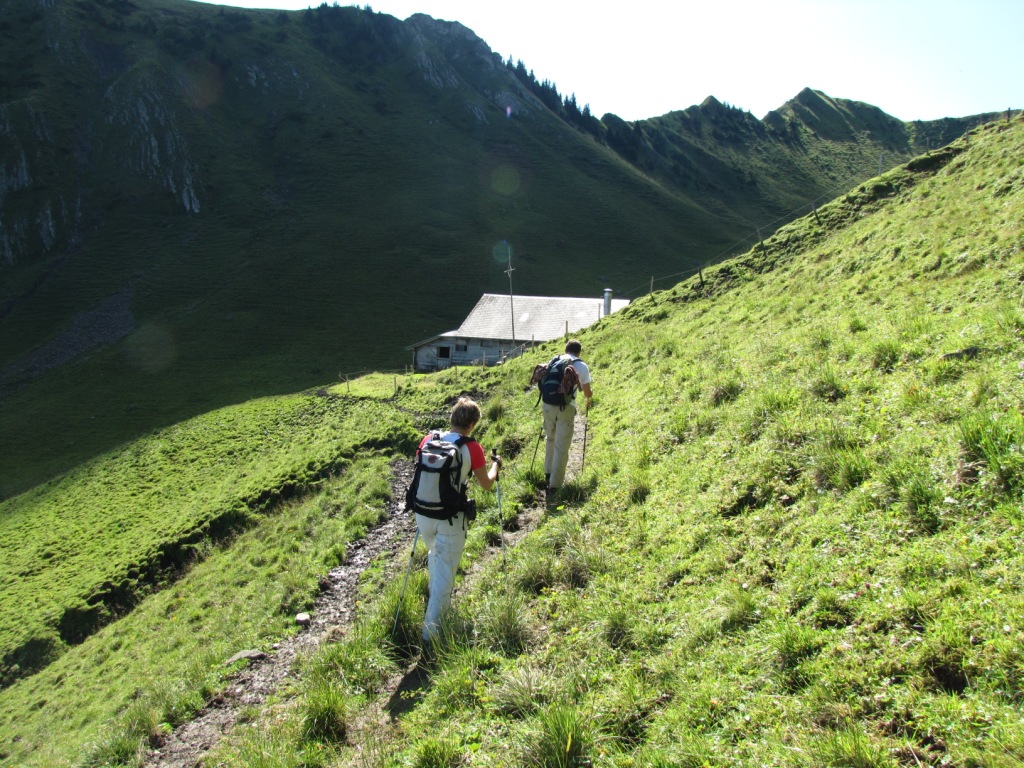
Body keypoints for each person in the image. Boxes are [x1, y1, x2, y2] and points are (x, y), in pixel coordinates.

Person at [414, 396, 501, 646]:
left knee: (435, 554)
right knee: (445, 575)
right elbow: (485, 484)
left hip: (423, 513)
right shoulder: (471, 446)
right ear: (472, 424)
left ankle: (436, 608)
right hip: (450, 517)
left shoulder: (430, 439)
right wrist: (496, 467)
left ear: (452, 418)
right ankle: (431, 637)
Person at [543, 339, 592, 493]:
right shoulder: (581, 366)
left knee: (550, 439)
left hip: (548, 405)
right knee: (561, 446)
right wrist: (589, 397)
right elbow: (587, 392)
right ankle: (555, 485)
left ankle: (547, 473)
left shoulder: (555, 360)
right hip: (566, 408)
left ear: (566, 349)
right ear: (579, 352)